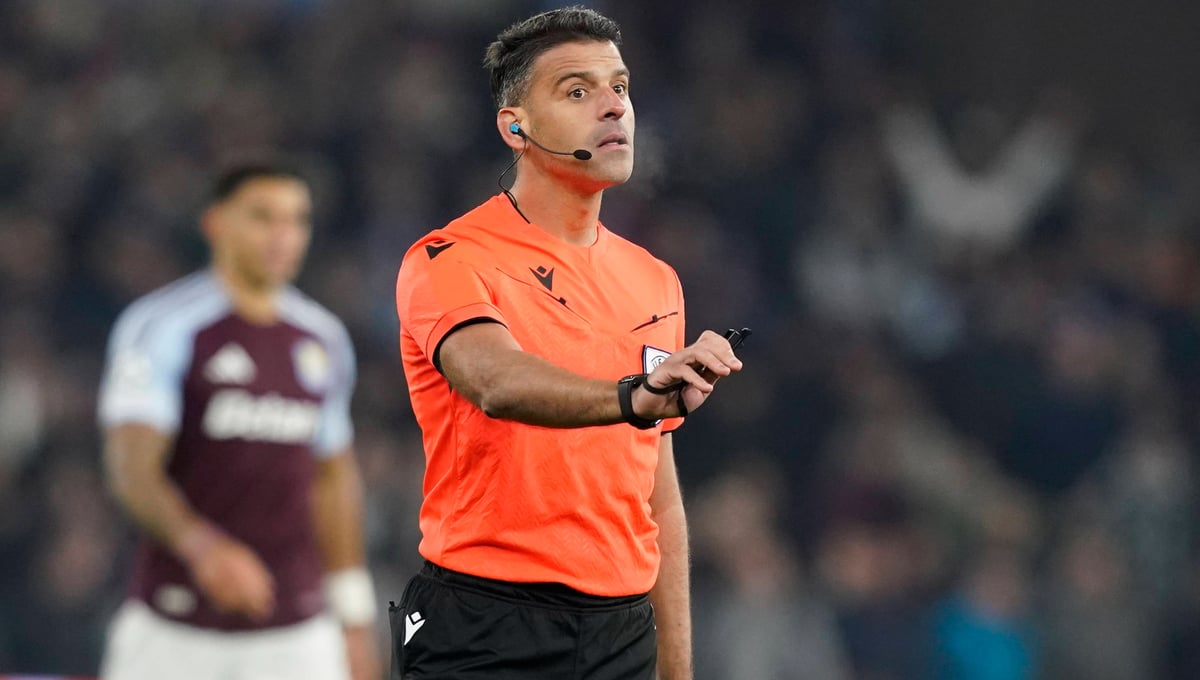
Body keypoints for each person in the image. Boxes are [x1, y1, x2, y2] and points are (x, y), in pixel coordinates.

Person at [392, 7, 745, 680]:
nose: (613, 107)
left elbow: (657, 499)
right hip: (486, 623)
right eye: (577, 90)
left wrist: (676, 671)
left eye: (620, 86)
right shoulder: (449, 256)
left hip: (623, 632)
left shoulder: (655, 279)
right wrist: (633, 396)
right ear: (515, 127)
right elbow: (494, 380)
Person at [97, 161, 381, 680]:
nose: (283, 236)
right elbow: (132, 471)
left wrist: (354, 617)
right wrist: (203, 548)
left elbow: (333, 477)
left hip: (296, 632)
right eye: (262, 217)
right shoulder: (163, 326)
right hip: (173, 626)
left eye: (297, 220)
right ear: (216, 224)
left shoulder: (323, 339)